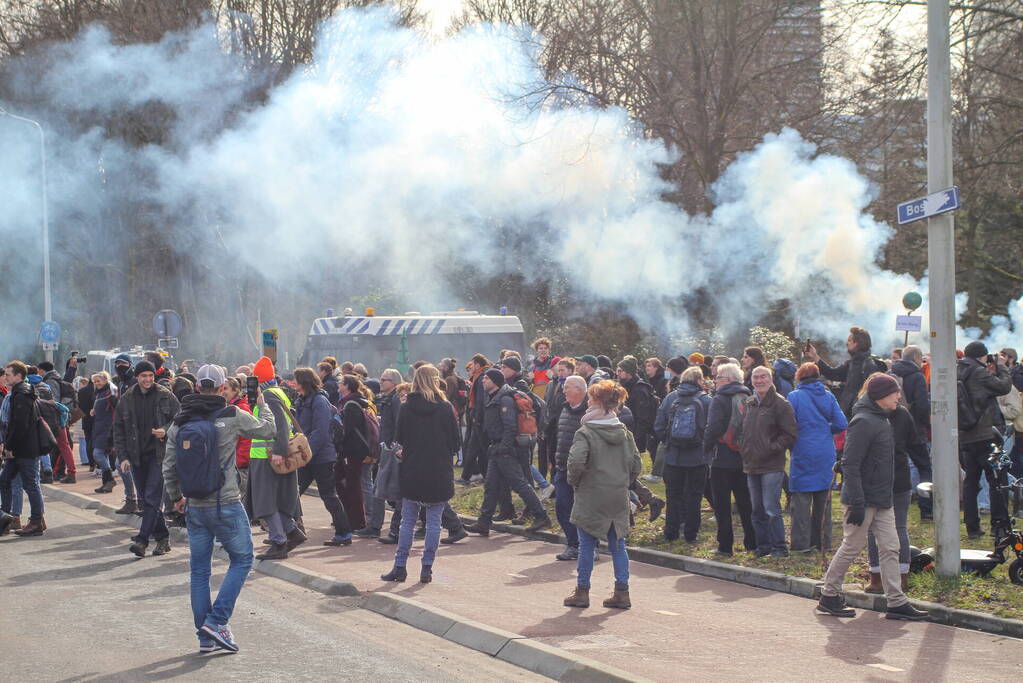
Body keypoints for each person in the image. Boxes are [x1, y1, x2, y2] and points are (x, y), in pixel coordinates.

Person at [163, 364, 279, 653]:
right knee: (242, 559)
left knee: (199, 572)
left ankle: (205, 638)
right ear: (220, 386)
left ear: (197, 386)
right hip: (226, 501)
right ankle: (217, 620)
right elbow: (268, 431)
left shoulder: (180, 421)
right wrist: (262, 406)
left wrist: (177, 496)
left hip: (195, 506)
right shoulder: (231, 415)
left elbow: (169, 466)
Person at [816, 374, 928, 621]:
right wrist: (856, 501)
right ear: (880, 396)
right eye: (895, 392)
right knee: (852, 546)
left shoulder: (883, 418)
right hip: (863, 499)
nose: (899, 396)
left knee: (891, 547)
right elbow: (851, 463)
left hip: (882, 498)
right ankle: (829, 595)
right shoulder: (864, 421)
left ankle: (896, 602)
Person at [562, 380, 641, 610]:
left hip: (591, 494)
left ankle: (582, 591)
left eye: (590, 398)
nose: (587, 401)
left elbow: (575, 463)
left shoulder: (585, 432)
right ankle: (622, 592)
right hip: (617, 494)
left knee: (586, 544)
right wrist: (624, 481)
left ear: (597, 402)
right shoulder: (625, 433)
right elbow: (636, 464)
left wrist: (575, 483)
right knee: (618, 545)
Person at [381, 365, 462, 584]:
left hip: (413, 469)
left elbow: (400, 438)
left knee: (408, 521)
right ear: (436, 380)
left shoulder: (406, 407)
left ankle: (400, 567)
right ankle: (427, 568)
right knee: (435, 522)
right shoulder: (445, 407)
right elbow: (456, 442)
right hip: (438, 470)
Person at [464, 368, 552, 536]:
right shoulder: (496, 397)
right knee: (490, 486)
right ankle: (484, 522)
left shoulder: (505, 400)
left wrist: (504, 447)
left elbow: (510, 426)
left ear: (495, 382)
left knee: (520, 484)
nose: (483, 381)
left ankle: (542, 516)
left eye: (486, 379)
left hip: (505, 449)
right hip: (497, 448)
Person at [113, 360, 180, 557]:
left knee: (151, 497)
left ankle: (142, 540)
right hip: (136, 456)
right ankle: (162, 538)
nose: (148, 379)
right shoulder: (127, 398)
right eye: (144, 376)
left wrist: (165, 431)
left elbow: (180, 418)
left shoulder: (165, 395)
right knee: (146, 499)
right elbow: (118, 429)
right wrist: (123, 457)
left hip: (159, 455)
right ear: (137, 377)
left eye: (151, 376)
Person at [786, 363, 847, 552]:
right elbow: (841, 423)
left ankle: (801, 545)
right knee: (824, 499)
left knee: (802, 501)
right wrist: (824, 430)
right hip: (825, 451)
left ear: (799, 377)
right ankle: (823, 543)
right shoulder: (828, 396)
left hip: (803, 449)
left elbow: (789, 425)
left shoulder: (794, 396)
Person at [866, 382, 920, 594]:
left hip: (887, 479)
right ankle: (895, 578)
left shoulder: (868, 415)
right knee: (896, 528)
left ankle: (880, 579)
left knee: (878, 529)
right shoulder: (902, 414)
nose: (897, 396)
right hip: (895, 478)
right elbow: (915, 444)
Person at [247, 356, 303, 561]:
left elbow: (278, 424)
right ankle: (293, 533)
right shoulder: (278, 392)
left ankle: (280, 542)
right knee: (276, 501)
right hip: (273, 455)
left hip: (268, 456)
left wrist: (278, 451)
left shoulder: (268, 396)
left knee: (265, 502)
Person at [740, 366, 798, 558]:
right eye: (756, 377)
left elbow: (789, 434)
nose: (759, 380)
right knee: (756, 509)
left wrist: (770, 449)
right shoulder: (750, 402)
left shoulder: (781, 404)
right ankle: (763, 546)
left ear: (771, 379)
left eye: (763, 377)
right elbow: (745, 430)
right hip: (751, 464)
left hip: (772, 465)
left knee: (771, 508)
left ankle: (779, 547)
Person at [293, 367, 353, 547]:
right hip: (309, 455)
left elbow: (320, 431)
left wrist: (306, 451)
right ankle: (291, 530)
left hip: (320, 457)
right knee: (292, 493)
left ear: (303, 382)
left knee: (328, 495)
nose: (293, 383)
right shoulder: (302, 400)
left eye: (296, 380)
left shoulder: (319, 401)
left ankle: (344, 532)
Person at [957, 341, 1011, 538]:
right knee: (997, 479)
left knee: (971, 481)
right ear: (982, 356)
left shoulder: (957, 370)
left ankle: (972, 527)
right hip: (985, 434)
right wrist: (1002, 367)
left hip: (965, 436)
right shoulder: (978, 373)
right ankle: (999, 526)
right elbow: (1003, 387)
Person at [703, 362, 756, 556]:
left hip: (722, 457)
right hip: (744, 456)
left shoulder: (719, 398)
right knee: (745, 502)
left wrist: (706, 448)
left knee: (722, 504)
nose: (715, 381)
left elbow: (713, 427)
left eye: (718, 378)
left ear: (727, 379)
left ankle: (725, 546)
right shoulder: (748, 396)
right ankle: (752, 542)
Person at [654, 367, 712, 543]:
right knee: (694, 496)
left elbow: (658, 425)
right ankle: (690, 535)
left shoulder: (671, 398)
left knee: (673, 495)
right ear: (700, 381)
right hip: (697, 457)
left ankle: (670, 532)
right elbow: (712, 428)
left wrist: (669, 441)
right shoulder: (706, 400)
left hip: (673, 456)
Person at [0, 361, 47, 536]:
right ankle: (4, 519)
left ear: (18, 376)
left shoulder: (23, 394)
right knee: (4, 481)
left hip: (25, 449)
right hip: (18, 449)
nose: (5, 377)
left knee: (31, 485)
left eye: (8, 374)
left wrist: (9, 446)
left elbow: (20, 425)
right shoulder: (17, 393)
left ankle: (36, 522)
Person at [805, 326, 886, 417]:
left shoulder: (870, 365)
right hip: (850, 413)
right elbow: (833, 373)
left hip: (859, 415)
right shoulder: (852, 363)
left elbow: (873, 394)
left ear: (856, 343)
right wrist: (815, 356)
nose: (847, 343)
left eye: (849, 340)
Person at [890, 345, 932, 518]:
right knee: (924, 467)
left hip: (894, 427)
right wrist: (927, 424)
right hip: (914, 428)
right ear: (916, 357)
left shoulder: (891, 373)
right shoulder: (917, 376)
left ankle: (891, 504)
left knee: (895, 465)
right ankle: (926, 509)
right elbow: (922, 406)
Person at [552, 375, 588, 561]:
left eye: (568, 387)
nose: (564, 390)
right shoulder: (564, 409)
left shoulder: (591, 411)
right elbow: (559, 437)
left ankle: (590, 546)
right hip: (562, 467)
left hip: (585, 471)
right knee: (562, 506)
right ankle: (573, 544)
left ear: (580, 390)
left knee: (584, 510)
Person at [337, 373, 375, 532]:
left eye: (341, 383)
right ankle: (351, 518)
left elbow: (349, 430)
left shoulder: (351, 404)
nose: (338, 385)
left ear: (347, 386)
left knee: (354, 485)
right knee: (347, 482)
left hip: (352, 450)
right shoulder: (354, 402)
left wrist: (339, 442)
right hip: (354, 449)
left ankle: (357, 521)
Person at [90, 372, 123, 502]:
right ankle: (107, 483)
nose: (97, 384)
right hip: (100, 427)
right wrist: (94, 411)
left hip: (108, 428)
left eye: (99, 381)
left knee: (97, 454)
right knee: (102, 454)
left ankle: (109, 479)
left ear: (105, 380)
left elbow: (118, 408)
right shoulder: (100, 393)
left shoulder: (111, 391)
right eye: (95, 382)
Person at [616, 355, 657, 456]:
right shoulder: (624, 386)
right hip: (623, 432)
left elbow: (642, 418)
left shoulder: (640, 389)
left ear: (628, 372)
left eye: (620, 371)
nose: (618, 373)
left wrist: (637, 442)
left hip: (634, 435)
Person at [223, 378, 253, 513]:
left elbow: (247, 439)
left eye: (226, 389)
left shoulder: (241, 409)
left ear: (236, 390)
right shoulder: (230, 407)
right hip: (235, 463)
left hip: (240, 465)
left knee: (238, 503)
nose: (222, 391)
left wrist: (239, 461)